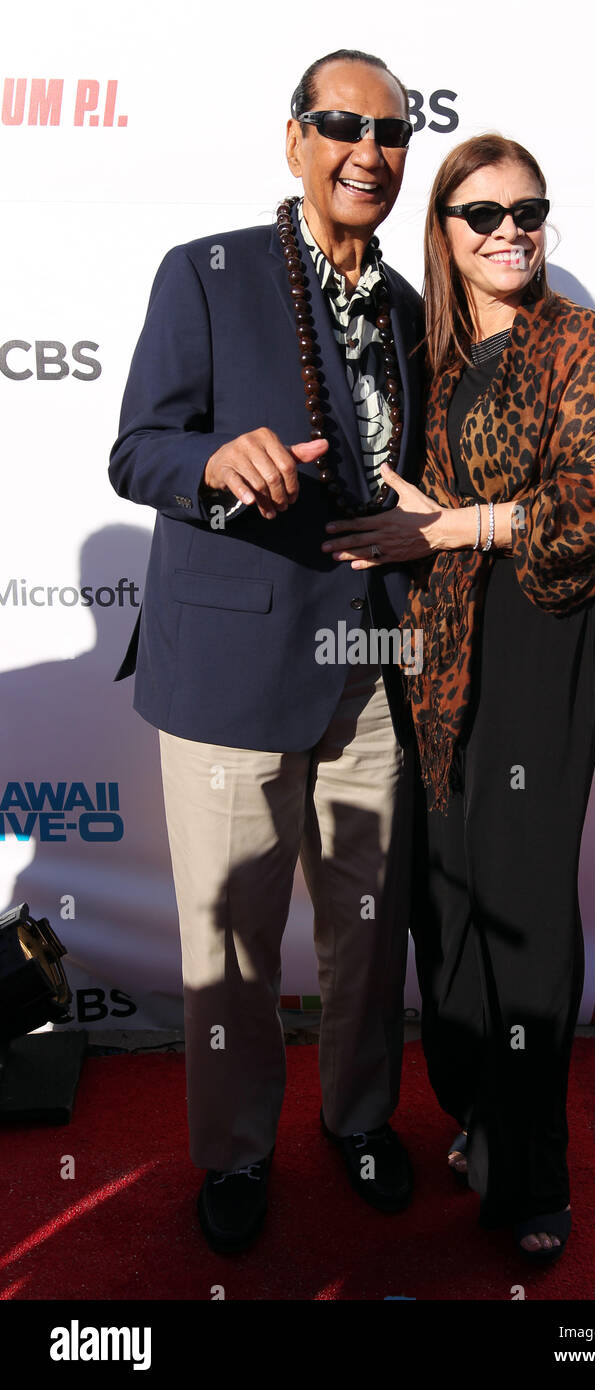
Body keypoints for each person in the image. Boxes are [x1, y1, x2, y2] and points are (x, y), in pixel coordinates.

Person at [108, 49, 426, 1254]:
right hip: (233, 675)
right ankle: (235, 1153)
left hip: (370, 665)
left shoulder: (405, 308)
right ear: (293, 138)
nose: (368, 151)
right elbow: (137, 447)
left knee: (367, 928)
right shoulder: (206, 272)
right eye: (341, 124)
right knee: (232, 942)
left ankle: (356, 1119)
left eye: (391, 133)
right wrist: (209, 465)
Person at [321, 133, 595, 1262]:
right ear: (446, 236)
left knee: (519, 893)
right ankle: (475, 1109)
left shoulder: (578, 342)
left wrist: (458, 523)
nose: (511, 227)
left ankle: (533, 1173)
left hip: (545, 632)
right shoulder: (435, 352)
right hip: (443, 640)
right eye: (483, 212)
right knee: (442, 885)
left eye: (529, 207)